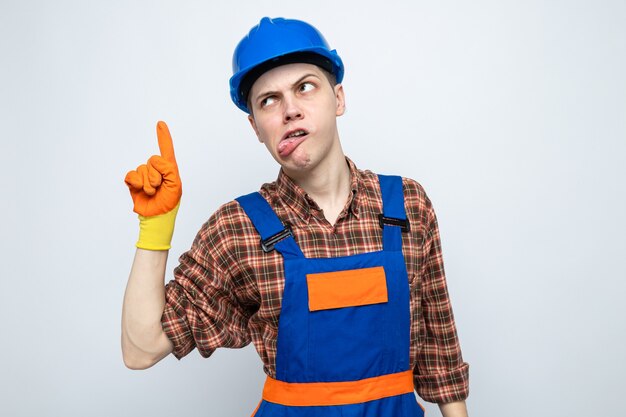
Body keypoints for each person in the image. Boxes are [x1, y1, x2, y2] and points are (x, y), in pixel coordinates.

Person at [121, 17, 469, 417]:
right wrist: (156, 227)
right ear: (255, 126)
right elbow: (140, 349)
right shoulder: (238, 230)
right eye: (268, 100)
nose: (290, 110)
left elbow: (441, 362)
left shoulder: (407, 206)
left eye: (305, 87)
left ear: (338, 98)